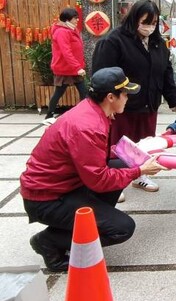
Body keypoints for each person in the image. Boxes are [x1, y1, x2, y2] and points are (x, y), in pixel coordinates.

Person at [21, 67, 165, 272]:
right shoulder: (88, 126)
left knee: (123, 164)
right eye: (125, 94)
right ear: (110, 97)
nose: (127, 98)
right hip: (46, 199)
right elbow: (98, 179)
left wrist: (138, 153)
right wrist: (140, 171)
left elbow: (96, 157)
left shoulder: (93, 110)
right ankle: (50, 242)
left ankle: (87, 223)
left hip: (64, 186)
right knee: (122, 229)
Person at [92, 0, 176, 195]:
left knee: (144, 143)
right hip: (121, 105)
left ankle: (140, 175)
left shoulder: (158, 43)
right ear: (134, 19)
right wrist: (104, 106)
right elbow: (102, 74)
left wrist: (173, 99)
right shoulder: (114, 41)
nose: (149, 27)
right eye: (145, 22)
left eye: (153, 23)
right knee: (118, 144)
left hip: (149, 102)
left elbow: (166, 72)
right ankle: (112, 180)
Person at [44, 7, 87, 124]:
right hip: (64, 68)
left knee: (84, 92)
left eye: (77, 18)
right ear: (67, 20)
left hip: (75, 68)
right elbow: (66, 52)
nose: (77, 20)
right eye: (75, 18)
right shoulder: (61, 32)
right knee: (59, 92)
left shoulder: (72, 30)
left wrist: (79, 66)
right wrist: (77, 67)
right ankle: (49, 116)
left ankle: (85, 114)